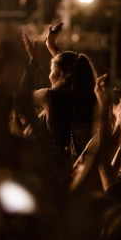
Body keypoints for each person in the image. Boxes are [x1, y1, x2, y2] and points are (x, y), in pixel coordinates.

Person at [17, 25, 98, 166]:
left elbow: (23, 96)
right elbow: (73, 70)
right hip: (87, 168)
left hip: (60, 169)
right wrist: (51, 45)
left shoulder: (51, 97)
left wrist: (33, 60)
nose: (49, 75)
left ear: (60, 74)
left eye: (51, 70)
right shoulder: (92, 97)